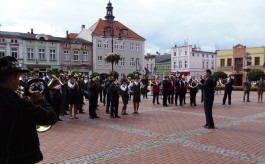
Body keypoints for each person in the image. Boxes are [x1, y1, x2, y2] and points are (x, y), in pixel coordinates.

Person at [0, 56, 57, 163]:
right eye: (18, 77)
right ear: (13, 77)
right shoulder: (20, 103)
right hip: (19, 157)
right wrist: (40, 100)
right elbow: (51, 117)